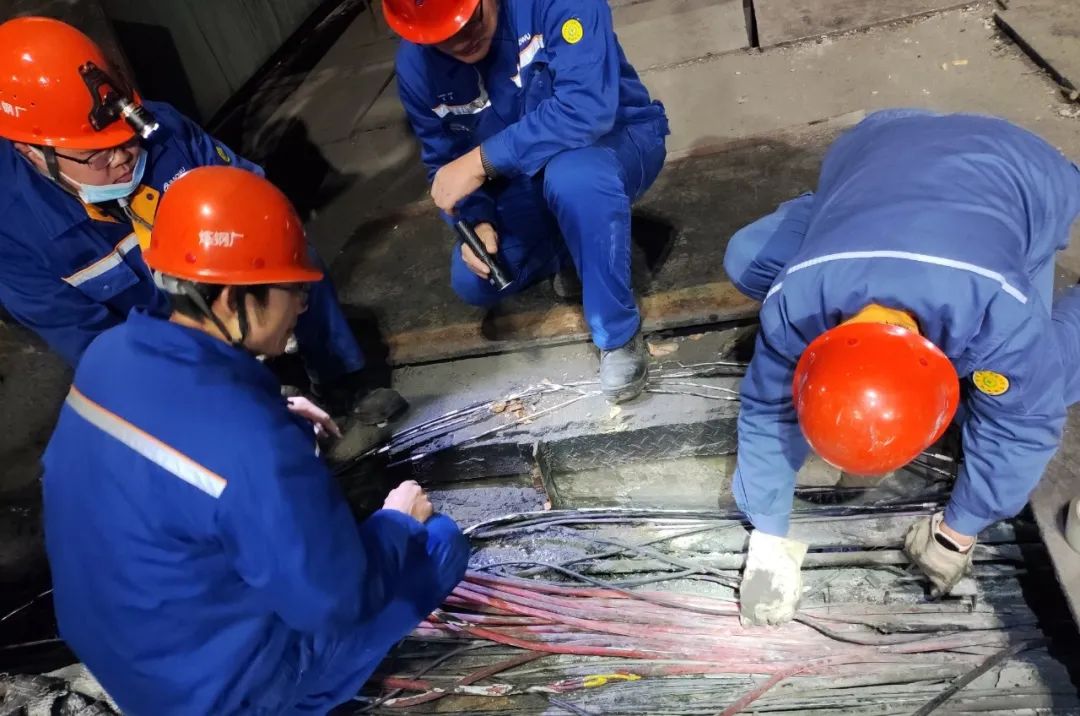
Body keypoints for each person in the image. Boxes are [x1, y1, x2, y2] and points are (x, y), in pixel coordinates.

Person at [41, 166, 469, 714]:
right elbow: (338, 604)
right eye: (294, 289)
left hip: (123, 654)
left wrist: (273, 408)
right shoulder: (254, 447)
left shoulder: (110, 353)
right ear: (229, 298)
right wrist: (397, 523)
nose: (303, 305)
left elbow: (177, 440)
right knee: (438, 544)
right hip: (214, 697)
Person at [725, 109, 1080, 625]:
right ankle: (841, 208)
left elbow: (1021, 428)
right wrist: (768, 534)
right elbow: (767, 409)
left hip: (1024, 173)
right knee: (747, 258)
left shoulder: (999, 314)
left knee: (1043, 382)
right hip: (880, 141)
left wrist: (959, 531)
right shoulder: (795, 304)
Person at [0, 16, 404, 425]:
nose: (122, 158)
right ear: (33, 152)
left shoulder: (165, 132)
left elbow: (255, 198)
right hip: (160, 342)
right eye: (97, 155)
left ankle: (341, 379)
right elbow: (95, 344)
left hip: (222, 283)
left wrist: (252, 298)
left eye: (127, 139)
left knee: (294, 254)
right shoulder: (14, 234)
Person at [384, 0, 670, 402]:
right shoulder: (416, 65)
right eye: (442, 37)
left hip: (614, 140)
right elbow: (446, 165)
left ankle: (617, 334)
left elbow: (586, 110)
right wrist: (478, 219)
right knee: (474, 280)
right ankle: (584, 242)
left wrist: (482, 161)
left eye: (469, 21)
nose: (461, 40)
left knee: (575, 179)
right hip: (521, 177)